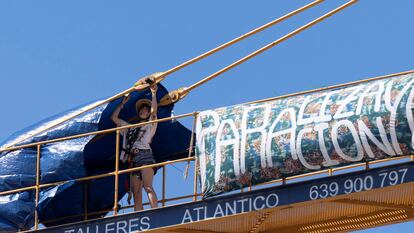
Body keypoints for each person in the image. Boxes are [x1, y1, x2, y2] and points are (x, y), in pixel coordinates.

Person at [111, 82, 159, 211]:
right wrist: (123, 103)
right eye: (142, 110)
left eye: (146, 110)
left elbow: (154, 112)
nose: (144, 111)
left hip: (144, 155)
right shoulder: (130, 128)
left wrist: (154, 94)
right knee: (136, 193)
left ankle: (156, 212)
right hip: (133, 159)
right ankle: (139, 216)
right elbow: (114, 118)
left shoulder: (150, 125)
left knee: (147, 186)